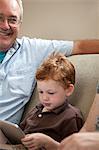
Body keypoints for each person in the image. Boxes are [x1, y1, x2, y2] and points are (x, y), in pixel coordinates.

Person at [0, 0, 99, 125]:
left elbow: (80, 47)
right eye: (0, 18)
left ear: (20, 23)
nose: (5, 26)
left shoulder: (32, 49)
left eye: (12, 20)